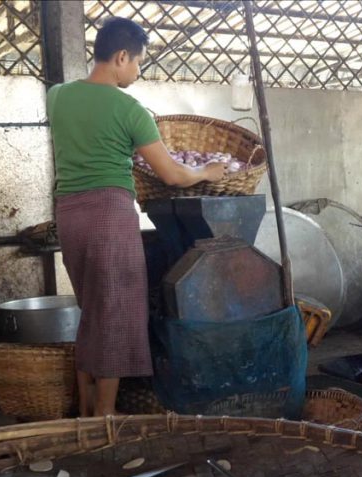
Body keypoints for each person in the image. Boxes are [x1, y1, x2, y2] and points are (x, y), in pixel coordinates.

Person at [46, 17, 226, 417]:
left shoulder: (57, 96)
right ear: (121, 56)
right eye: (139, 62)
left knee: (91, 308)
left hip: (70, 214)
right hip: (109, 213)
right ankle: (105, 417)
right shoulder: (131, 110)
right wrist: (207, 172)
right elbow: (172, 174)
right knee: (116, 311)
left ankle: (87, 407)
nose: (138, 70)